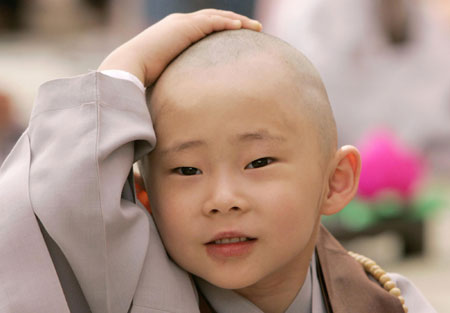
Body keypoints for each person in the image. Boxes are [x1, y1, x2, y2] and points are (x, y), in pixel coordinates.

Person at [0, 9, 435, 313]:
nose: (222, 199)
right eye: (187, 170)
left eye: (259, 162)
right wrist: (123, 69)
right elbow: (56, 208)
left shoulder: (388, 303)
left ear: (335, 182)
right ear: (145, 197)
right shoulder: (124, 289)